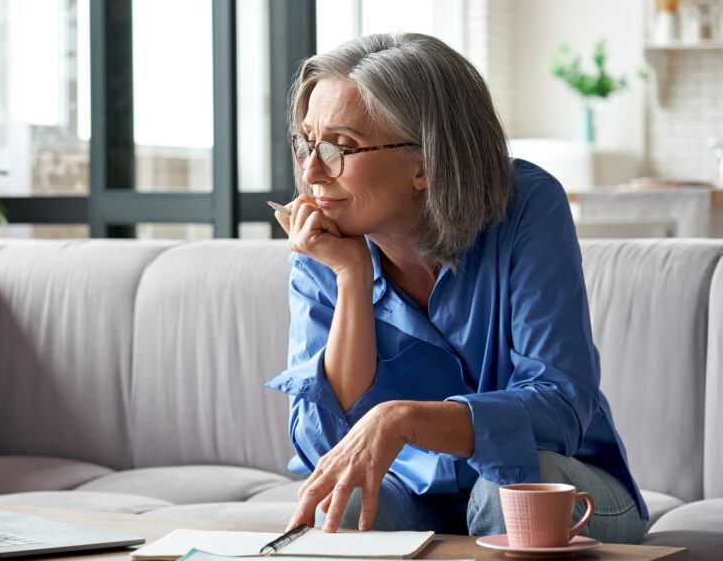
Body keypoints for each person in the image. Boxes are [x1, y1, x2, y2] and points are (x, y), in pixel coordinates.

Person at [265, 32, 647, 543]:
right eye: (306, 143)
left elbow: (560, 406)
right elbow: (326, 447)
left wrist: (404, 420)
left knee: (505, 491)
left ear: (425, 161)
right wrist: (351, 278)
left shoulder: (528, 207)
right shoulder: (325, 242)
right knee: (347, 501)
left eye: (341, 147)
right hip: (415, 495)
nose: (312, 172)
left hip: (563, 483)